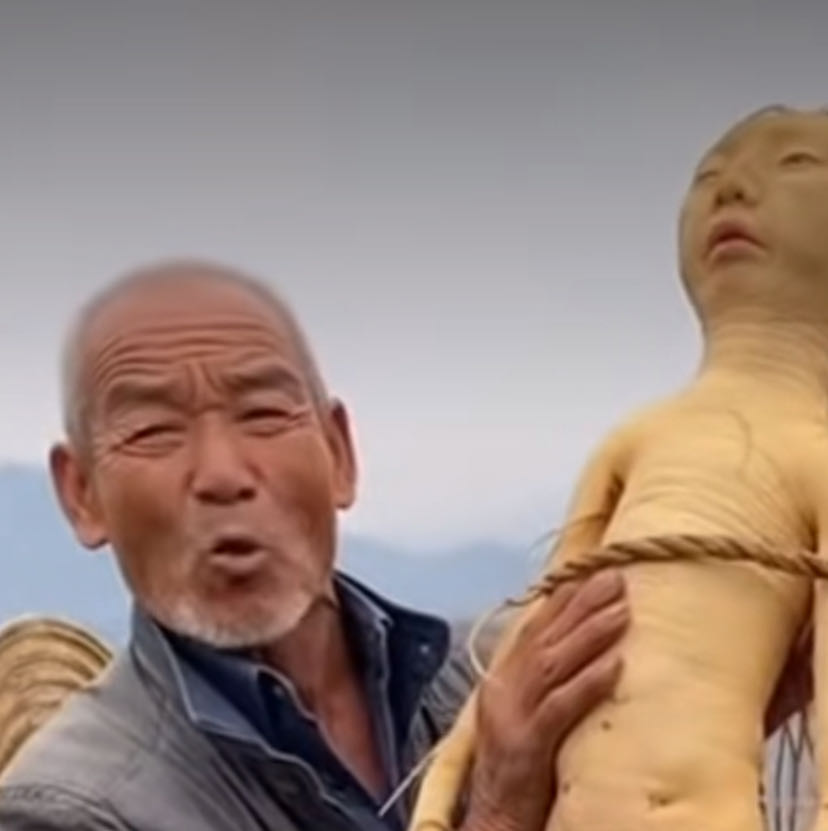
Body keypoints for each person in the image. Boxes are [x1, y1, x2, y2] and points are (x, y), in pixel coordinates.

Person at [0, 261, 805, 830]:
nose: (221, 473)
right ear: (81, 493)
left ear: (340, 454)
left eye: (264, 412)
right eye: (153, 429)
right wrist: (495, 808)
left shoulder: (513, 667)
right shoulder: (72, 809)